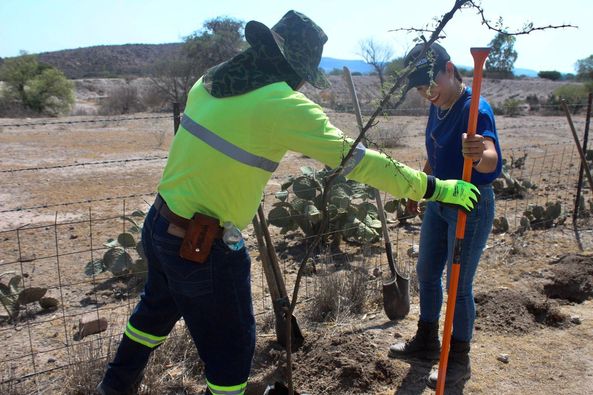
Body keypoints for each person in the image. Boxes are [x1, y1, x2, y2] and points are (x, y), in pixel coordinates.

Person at [97, 12, 480, 395]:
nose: (301, 84)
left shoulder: (211, 80)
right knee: (232, 352)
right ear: (293, 68)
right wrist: (433, 188)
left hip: (160, 226)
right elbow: (360, 160)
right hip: (202, 246)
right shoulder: (283, 104)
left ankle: (113, 388)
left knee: (152, 315)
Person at [388, 42, 502, 389]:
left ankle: (457, 360)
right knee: (426, 272)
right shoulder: (438, 107)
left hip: (470, 204)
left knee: (459, 286)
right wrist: (420, 186)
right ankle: (426, 342)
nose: (426, 93)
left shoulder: (475, 110)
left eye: (430, 84)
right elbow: (435, 150)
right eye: (420, 88)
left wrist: (478, 152)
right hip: (438, 200)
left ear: (450, 69)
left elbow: (492, 160)